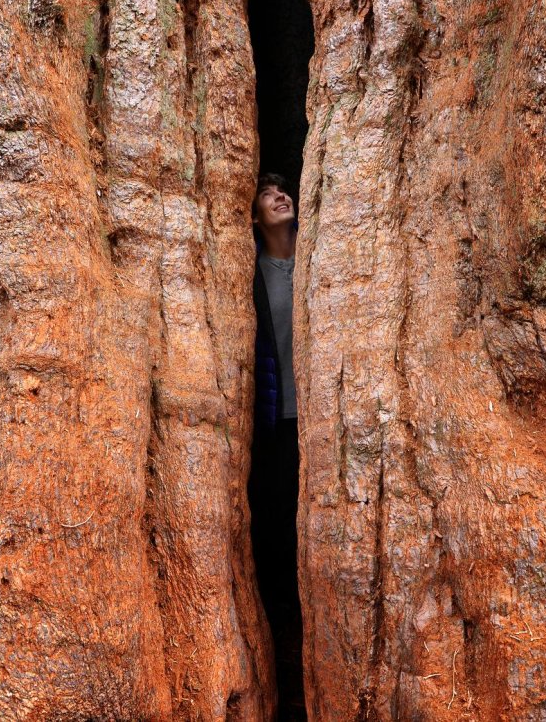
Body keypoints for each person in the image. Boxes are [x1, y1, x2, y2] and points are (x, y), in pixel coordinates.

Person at [249, 172, 305, 721]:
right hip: (276, 420)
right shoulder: (250, 274)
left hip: (319, 418)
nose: (280, 195)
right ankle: (282, 620)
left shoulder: (316, 259)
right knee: (276, 519)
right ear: (256, 213)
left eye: (284, 188)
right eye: (268, 193)